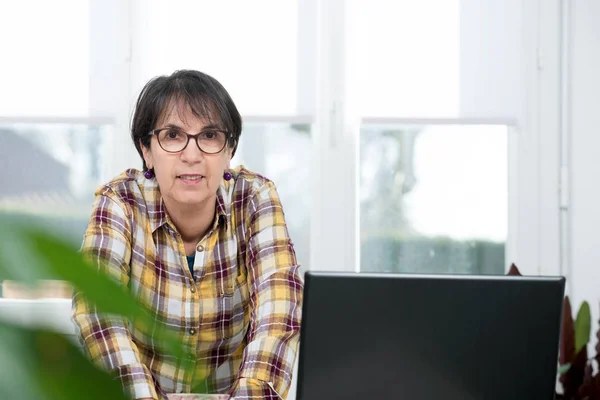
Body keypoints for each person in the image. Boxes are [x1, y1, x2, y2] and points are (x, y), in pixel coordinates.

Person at [72, 70, 304, 400]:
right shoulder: (119, 202)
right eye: (172, 135)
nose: (192, 155)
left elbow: (279, 309)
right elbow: (98, 314)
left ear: (229, 151)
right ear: (147, 150)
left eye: (209, 136)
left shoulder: (255, 198)